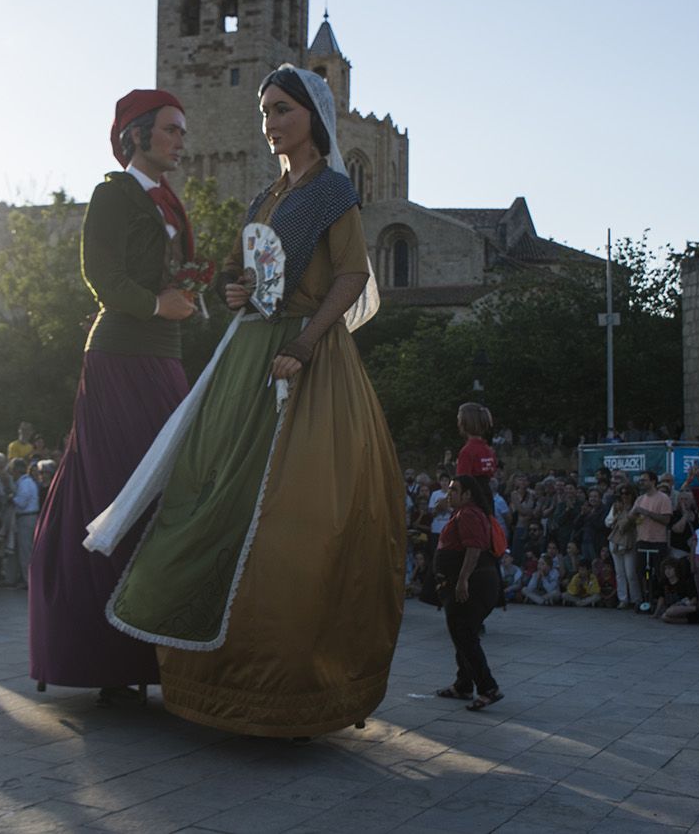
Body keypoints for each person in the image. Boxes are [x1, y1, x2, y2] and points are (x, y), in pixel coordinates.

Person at [95, 65, 403, 739]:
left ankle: (293, 690)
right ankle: (213, 682)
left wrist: (309, 345)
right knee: (205, 496)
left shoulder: (333, 192)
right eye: (265, 111)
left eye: (283, 110)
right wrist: (235, 290)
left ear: (312, 118)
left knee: (297, 520)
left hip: (304, 358)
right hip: (248, 354)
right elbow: (244, 270)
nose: (270, 122)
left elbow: (352, 273)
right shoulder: (267, 194)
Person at [431, 474, 505, 711]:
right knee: (462, 633)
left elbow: (474, 548)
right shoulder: (461, 512)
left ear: (467, 494)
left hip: (475, 583)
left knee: (463, 633)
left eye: (454, 490)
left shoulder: (470, 514)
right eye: (449, 490)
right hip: (471, 582)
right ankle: (463, 684)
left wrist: (462, 580)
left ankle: (488, 687)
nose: (449, 494)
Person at [631, 471, 672, 610]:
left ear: (653, 481)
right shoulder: (640, 499)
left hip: (658, 542)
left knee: (658, 573)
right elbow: (632, 518)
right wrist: (634, 514)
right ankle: (644, 599)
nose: (641, 482)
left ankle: (659, 600)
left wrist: (647, 513)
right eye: (640, 480)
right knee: (642, 572)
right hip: (642, 540)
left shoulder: (663, 498)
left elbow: (666, 520)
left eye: (644, 480)